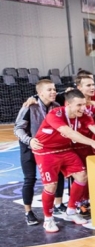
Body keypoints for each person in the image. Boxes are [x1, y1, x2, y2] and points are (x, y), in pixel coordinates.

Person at [33, 89, 95, 232]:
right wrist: (93, 143)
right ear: (68, 104)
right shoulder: (55, 114)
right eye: (79, 105)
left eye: (84, 104)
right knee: (51, 186)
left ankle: (71, 211)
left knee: (82, 176)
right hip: (46, 151)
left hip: (64, 149)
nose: (83, 108)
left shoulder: (84, 115)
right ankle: (48, 219)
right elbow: (70, 133)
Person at [14, 79, 67, 225]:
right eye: (49, 90)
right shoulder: (29, 106)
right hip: (30, 147)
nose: (53, 92)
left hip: (49, 149)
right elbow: (17, 128)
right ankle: (28, 212)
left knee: (59, 174)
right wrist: (29, 140)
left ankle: (58, 204)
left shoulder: (56, 106)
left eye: (54, 89)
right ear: (40, 93)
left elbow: (67, 95)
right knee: (30, 179)